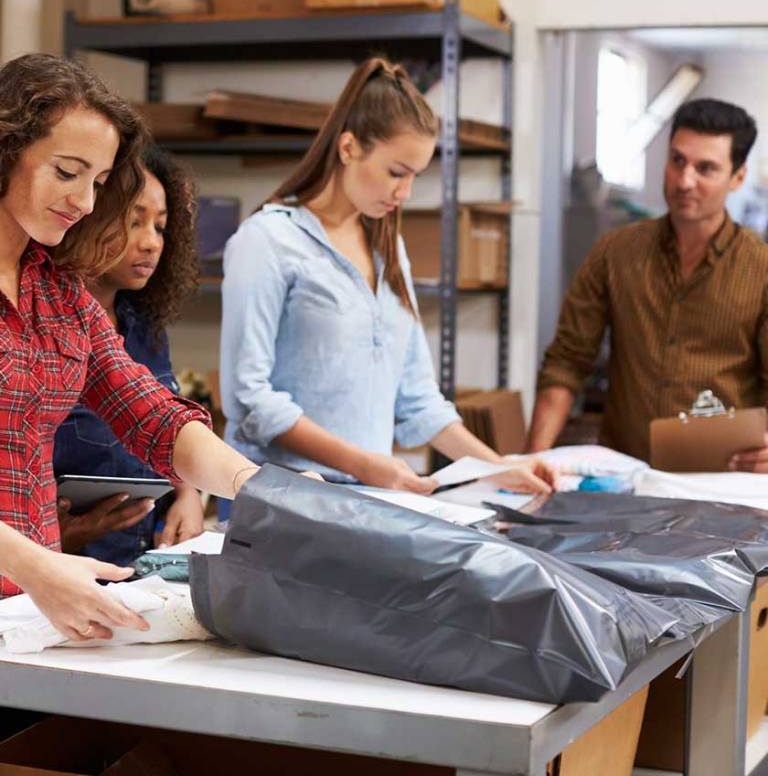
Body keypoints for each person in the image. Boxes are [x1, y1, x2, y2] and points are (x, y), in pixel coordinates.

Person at [0, 53, 279, 641]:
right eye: (67, 172)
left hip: (32, 613)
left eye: (98, 183)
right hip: (38, 585)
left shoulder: (59, 293)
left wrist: (257, 487)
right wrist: (32, 566)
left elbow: (150, 415)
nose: (83, 202)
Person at [220, 57, 556, 495]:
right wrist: (364, 465)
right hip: (282, 497)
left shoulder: (387, 249)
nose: (405, 193)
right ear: (348, 148)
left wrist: (499, 469)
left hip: (368, 496)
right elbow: (249, 400)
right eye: (396, 173)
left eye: (415, 176)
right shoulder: (268, 240)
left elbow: (419, 399)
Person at [527, 98, 768, 469]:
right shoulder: (615, 252)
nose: (685, 181)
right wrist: (532, 462)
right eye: (677, 161)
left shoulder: (761, 268)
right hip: (626, 475)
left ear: (737, 177)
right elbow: (567, 361)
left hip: (724, 480)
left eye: (706, 169)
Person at [53, 145, 204, 565]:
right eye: (134, 222)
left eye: (160, 227)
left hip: (135, 564)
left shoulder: (147, 330)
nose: (150, 243)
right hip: (53, 569)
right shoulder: (46, 323)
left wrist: (188, 494)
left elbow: (164, 421)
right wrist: (57, 536)